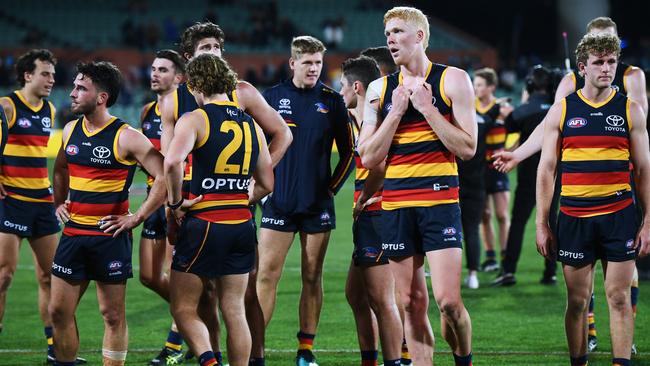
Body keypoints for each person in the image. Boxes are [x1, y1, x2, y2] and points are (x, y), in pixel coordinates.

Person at [493, 16, 646, 354]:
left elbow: (642, 138)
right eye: (597, 53)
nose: (606, 63)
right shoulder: (567, 90)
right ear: (584, 55)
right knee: (578, 297)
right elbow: (550, 136)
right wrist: (518, 154)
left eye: (611, 54)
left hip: (620, 190)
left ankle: (625, 344)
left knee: (620, 289)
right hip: (576, 208)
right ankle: (589, 336)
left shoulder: (632, 82)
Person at [159, 21, 292, 365]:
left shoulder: (194, 117)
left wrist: (175, 204)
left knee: (183, 307)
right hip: (241, 222)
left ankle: (208, 359)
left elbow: (171, 161)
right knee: (235, 307)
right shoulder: (250, 123)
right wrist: (240, 194)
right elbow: (267, 184)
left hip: (203, 219)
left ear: (196, 81)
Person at [358, 6, 476, 365]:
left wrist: (428, 109)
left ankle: (463, 359)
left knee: (449, 302)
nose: (390, 39)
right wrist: (395, 112)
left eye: (397, 32)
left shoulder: (453, 80)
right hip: (395, 205)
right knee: (410, 302)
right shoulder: (381, 89)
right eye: (387, 34)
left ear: (420, 36)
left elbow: (467, 148)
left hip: (440, 204)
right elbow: (367, 157)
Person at [536, 33, 650, 366]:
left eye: (611, 61)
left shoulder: (631, 110)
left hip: (620, 216)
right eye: (598, 62)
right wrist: (543, 222)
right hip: (573, 218)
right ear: (582, 67)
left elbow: (643, 170)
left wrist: (648, 220)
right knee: (577, 302)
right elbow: (547, 170)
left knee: (618, 298)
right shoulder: (562, 110)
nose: (606, 68)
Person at [49, 61, 167, 366]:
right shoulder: (71, 130)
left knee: (112, 315)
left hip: (109, 237)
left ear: (101, 97)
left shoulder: (126, 136)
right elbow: (61, 168)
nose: (72, 93)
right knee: (58, 312)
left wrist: (137, 216)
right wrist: (58, 202)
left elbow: (165, 175)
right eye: (74, 86)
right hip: (73, 234)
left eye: (80, 88)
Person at [256, 35, 354, 366]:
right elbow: (254, 151)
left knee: (312, 276)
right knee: (267, 275)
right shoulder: (270, 99)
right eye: (308, 63)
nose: (314, 69)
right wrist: (261, 192)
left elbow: (349, 154)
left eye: (318, 63)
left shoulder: (332, 101)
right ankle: (255, 348)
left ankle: (306, 349)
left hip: (317, 207)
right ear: (293, 63)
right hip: (278, 204)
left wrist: (330, 190)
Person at [0, 49, 76, 364]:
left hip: (41, 202)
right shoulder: (7, 105)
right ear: (27, 75)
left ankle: (53, 346)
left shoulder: (49, 109)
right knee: (3, 275)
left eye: (53, 74)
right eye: (45, 73)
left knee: (50, 276)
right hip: (11, 202)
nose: (51, 80)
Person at [340, 55, 403, 366]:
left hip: (377, 212)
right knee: (356, 294)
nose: (340, 93)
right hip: (369, 216)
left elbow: (377, 166)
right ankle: (372, 360)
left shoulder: (373, 119)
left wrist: (364, 196)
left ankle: (395, 360)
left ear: (356, 86)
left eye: (342, 87)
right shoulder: (359, 117)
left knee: (382, 300)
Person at [139, 49, 186, 366]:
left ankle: (175, 344)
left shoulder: (186, 113)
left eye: (164, 70)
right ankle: (199, 313)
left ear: (179, 78)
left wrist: (176, 201)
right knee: (148, 276)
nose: (155, 74)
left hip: (176, 200)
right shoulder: (146, 112)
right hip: (151, 198)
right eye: (154, 68)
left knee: (173, 273)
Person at [492, 65, 558, 287]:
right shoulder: (559, 108)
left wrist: (525, 99)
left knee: (518, 223)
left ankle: (509, 270)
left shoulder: (525, 110)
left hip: (529, 177)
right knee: (553, 221)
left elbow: (510, 124)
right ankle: (551, 271)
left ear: (530, 85)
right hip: (557, 176)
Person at [473, 68, 511, 274]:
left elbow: (517, 135)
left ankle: (506, 255)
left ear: (491, 87)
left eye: (479, 84)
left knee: (502, 214)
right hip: (480, 167)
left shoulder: (504, 109)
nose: (475, 88)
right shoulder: (472, 107)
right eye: (475, 84)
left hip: (498, 166)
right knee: (484, 215)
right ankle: (490, 257)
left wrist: (511, 152)